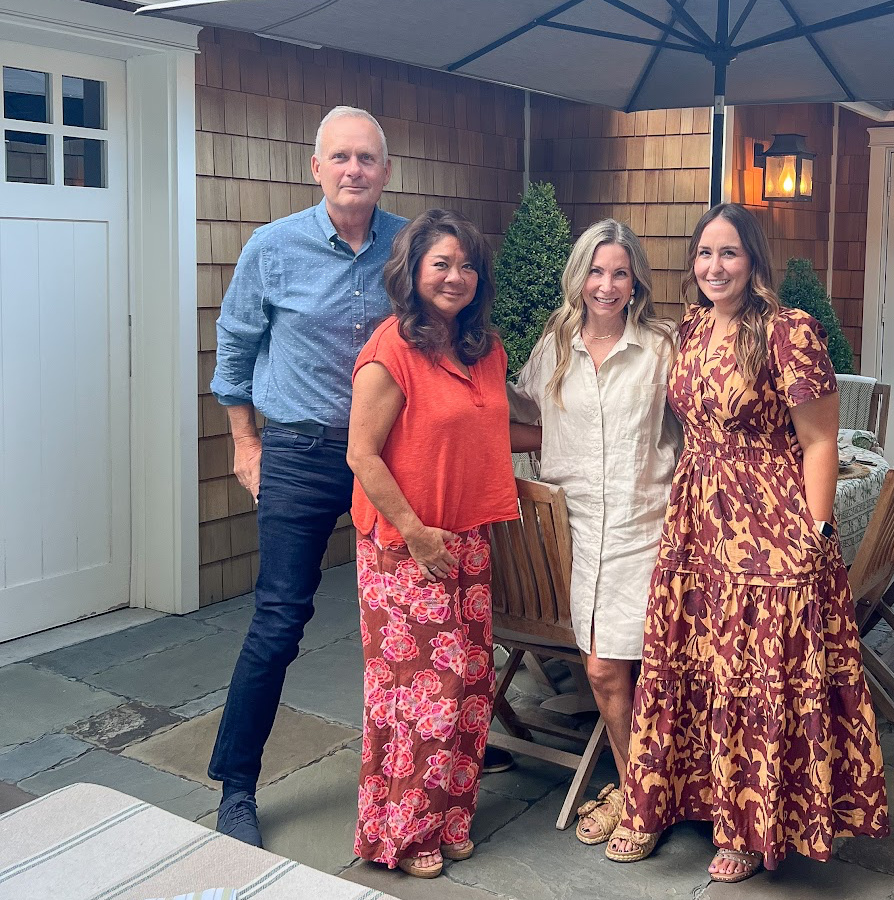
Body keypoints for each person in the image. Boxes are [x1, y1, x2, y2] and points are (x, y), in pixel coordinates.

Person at [607, 203, 889, 883]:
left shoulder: (789, 331)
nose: (715, 266)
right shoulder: (691, 329)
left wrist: (817, 531)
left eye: (728, 253)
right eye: (704, 253)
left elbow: (820, 440)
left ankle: (747, 828)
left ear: (753, 259)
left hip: (768, 522)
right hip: (695, 518)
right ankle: (677, 802)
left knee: (752, 672)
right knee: (693, 663)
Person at [207, 106, 406, 848]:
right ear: (316, 167)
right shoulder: (273, 248)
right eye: (341, 157)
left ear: (385, 171)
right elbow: (234, 347)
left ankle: (428, 761)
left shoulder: (409, 246)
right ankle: (236, 787)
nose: (354, 170)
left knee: (407, 614)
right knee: (280, 619)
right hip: (298, 451)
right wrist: (244, 442)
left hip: (389, 455)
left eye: (367, 158)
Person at [347, 208, 518, 878]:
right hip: (405, 546)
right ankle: (401, 832)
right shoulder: (391, 349)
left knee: (470, 687)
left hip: (468, 539)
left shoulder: (484, 350)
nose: (456, 276)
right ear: (413, 271)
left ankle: (450, 820)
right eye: (442, 263)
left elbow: (493, 430)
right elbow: (362, 454)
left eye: (467, 265)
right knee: (420, 696)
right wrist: (416, 535)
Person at [508, 219, 680, 846]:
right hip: (575, 533)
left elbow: (703, 421)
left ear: (637, 282)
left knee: (652, 668)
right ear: (578, 277)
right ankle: (640, 793)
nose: (606, 285)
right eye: (596, 272)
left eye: (620, 273)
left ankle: (650, 795)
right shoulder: (556, 343)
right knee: (605, 670)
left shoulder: (661, 346)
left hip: (649, 527)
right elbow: (526, 413)